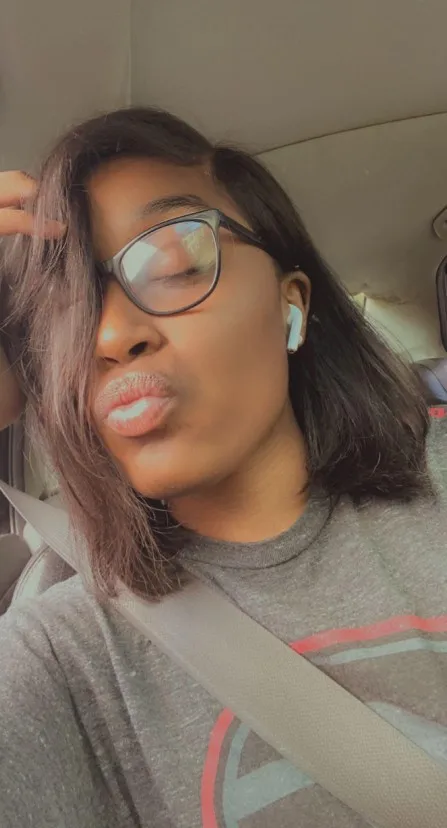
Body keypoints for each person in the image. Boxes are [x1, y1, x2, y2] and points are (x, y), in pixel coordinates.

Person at [0, 107, 446, 828]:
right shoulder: (62, 652)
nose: (110, 333)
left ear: (289, 305)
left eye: (173, 263)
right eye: (65, 307)